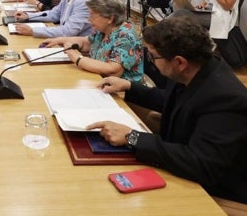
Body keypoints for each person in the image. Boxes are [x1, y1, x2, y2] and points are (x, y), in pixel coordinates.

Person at [87, 16, 247, 204]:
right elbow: (172, 101)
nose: (151, 62)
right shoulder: (193, 69)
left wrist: (133, 137)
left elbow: (201, 164)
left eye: (152, 56)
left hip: (215, 191)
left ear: (180, 62)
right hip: (183, 165)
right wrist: (129, 86)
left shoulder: (225, 98)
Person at [41, 0, 143, 81]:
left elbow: (113, 70)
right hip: (98, 80)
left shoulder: (126, 37)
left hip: (121, 94)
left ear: (110, 18)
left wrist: (77, 59)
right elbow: (87, 42)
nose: (89, 19)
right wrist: (60, 40)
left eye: (92, 15)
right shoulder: (104, 29)